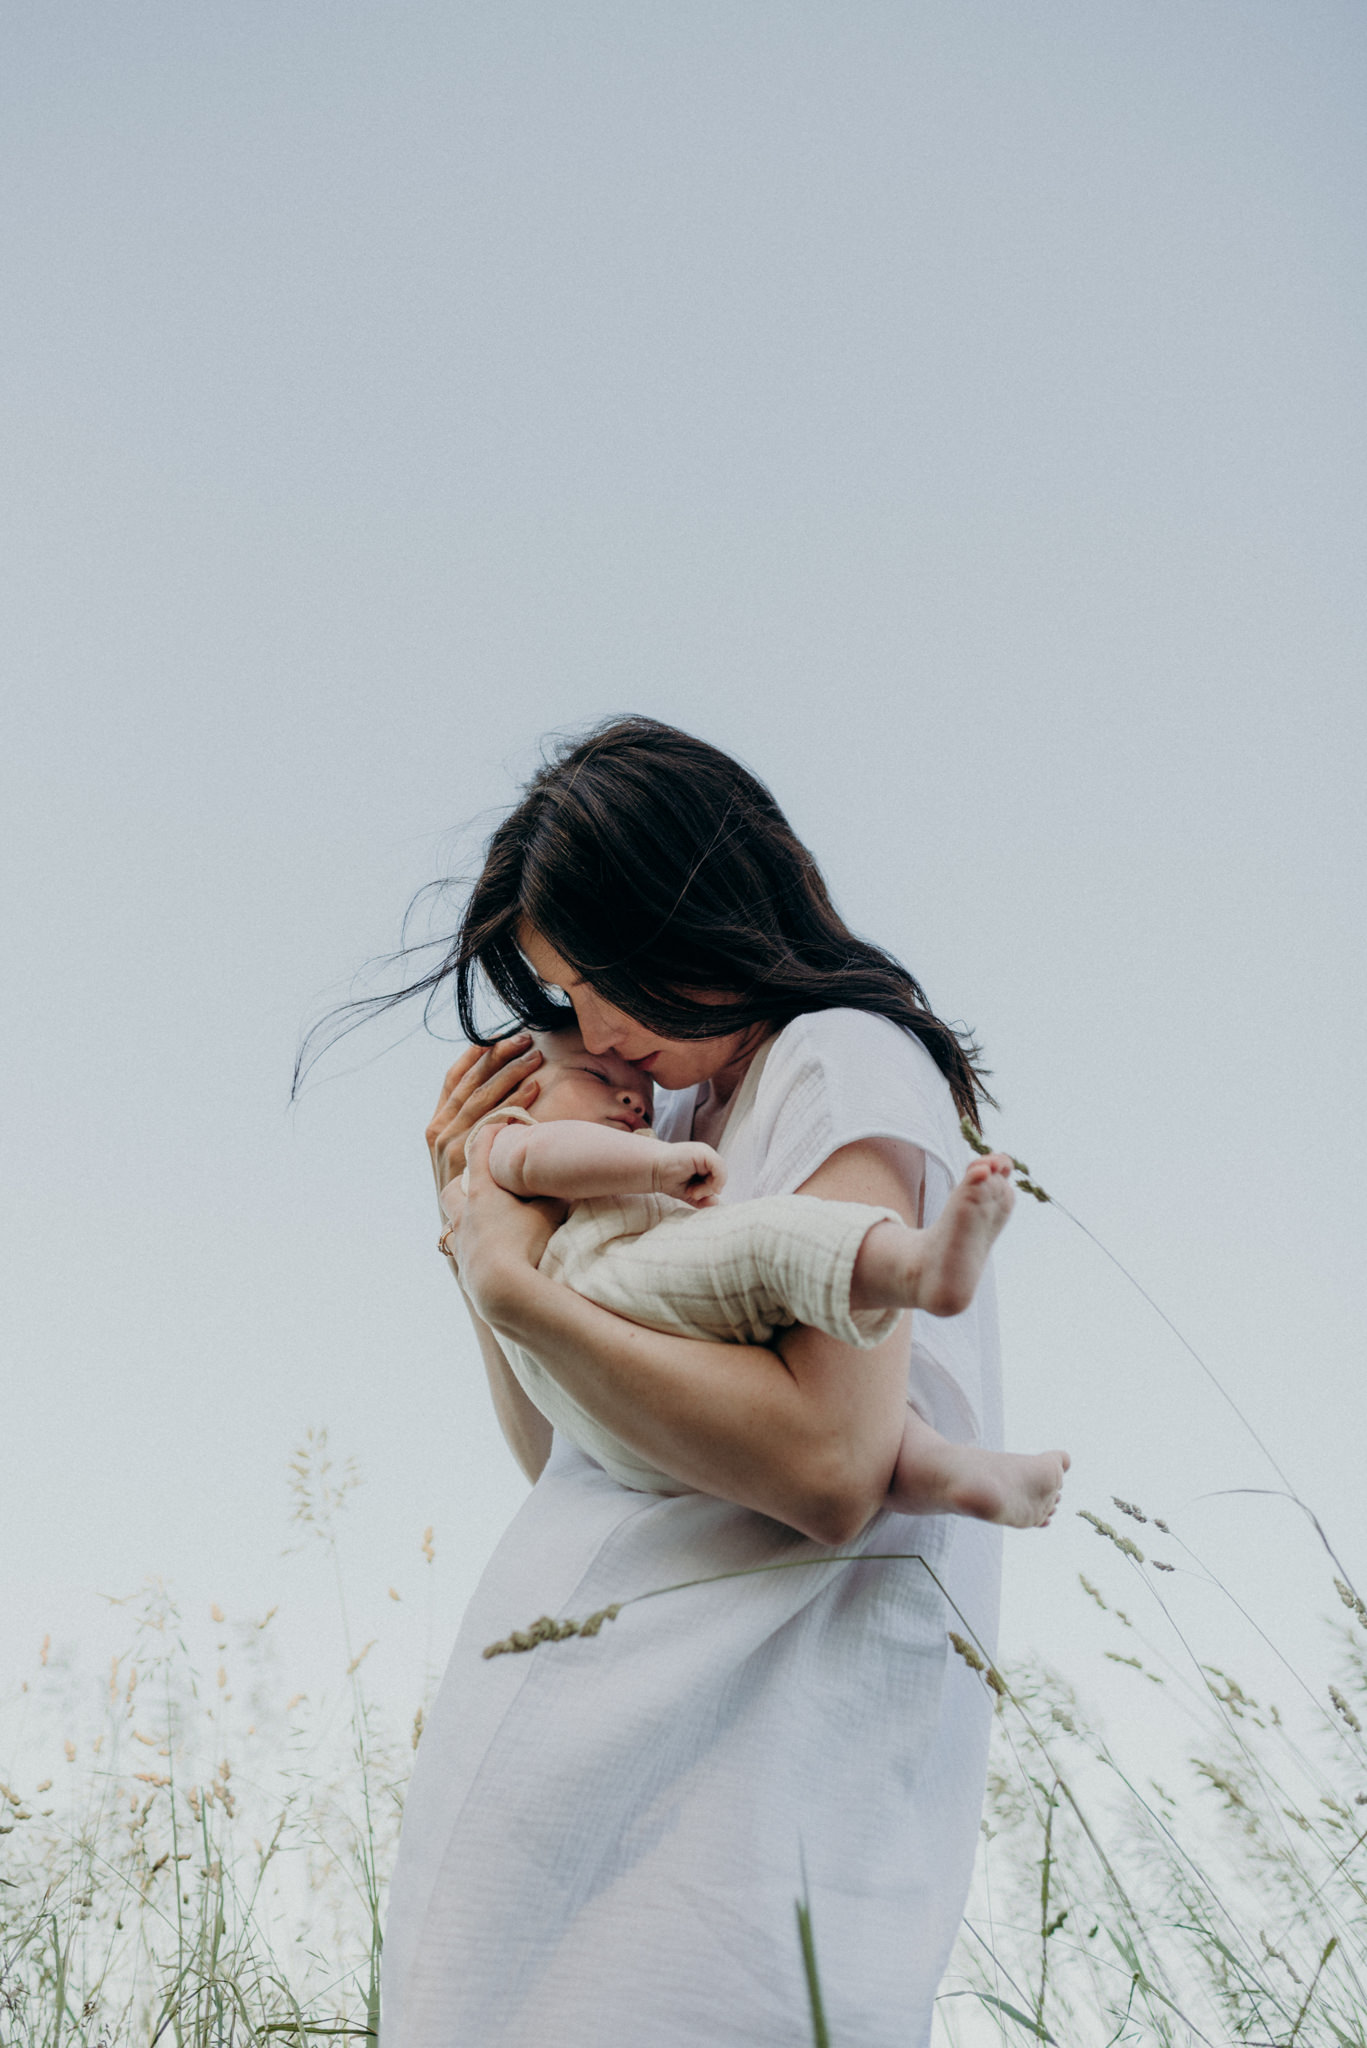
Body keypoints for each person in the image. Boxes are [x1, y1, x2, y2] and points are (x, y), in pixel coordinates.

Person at [378, 717, 1020, 2048]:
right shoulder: (660, 1126)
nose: (596, 1031)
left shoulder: (831, 1054)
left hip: (728, 1816)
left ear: (700, 909)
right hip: (594, 1771)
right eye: (565, 994)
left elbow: (830, 1469)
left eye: (603, 975)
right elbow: (571, 1457)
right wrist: (476, 1233)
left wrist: (517, 1287)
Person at [439, 1022, 1068, 1525]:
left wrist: (498, 1278)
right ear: (516, 1088)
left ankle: (954, 1474)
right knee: (771, 1245)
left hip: (640, 1436)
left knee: (886, 1419)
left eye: (640, 1100)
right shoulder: (507, 1135)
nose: (632, 1096)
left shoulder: (833, 1051)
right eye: (594, 1074)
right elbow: (554, 1461)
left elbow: (838, 1464)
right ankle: (915, 1267)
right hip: (621, 1280)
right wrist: (653, 1166)